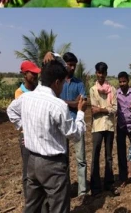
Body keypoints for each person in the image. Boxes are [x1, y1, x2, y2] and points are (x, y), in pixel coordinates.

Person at [7, 61, 87, 213]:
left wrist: (25, 127)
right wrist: (81, 112)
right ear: (57, 82)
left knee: (32, 205)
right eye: (63, 83)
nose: (63, 87)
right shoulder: (57, 105)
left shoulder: (26, 98)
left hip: (31, 161)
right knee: (58, 207)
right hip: (53, 165)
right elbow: (75, 135)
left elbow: (11, 111)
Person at [57, 52, 90, 205]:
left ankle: (82, 191)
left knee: (81, 159)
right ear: (64, 64)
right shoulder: (58, 83)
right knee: (63, 160)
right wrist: (72, 103)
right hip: (61, 125)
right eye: (69, 65)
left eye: (74, 65)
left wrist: (62, 101)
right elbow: (73, 103)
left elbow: (82, 103)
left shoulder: (79, 83)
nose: (72, 68)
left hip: (77, 123)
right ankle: (67, 188)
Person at [89, 61, 120, 197]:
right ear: (96, 73)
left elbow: (114, 108)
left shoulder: (112, 90)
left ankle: (109, 183)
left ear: (106, 73)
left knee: (108, 157)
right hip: (97, 127)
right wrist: (105, 110)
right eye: (99, 72)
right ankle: (95, 187)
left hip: (109, 126)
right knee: (95, 156)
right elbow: (93, 109)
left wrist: (101, 109)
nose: (101, 75)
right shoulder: (92, 89)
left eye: (103, 73)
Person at [14, 61, 41, 199]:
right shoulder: (20, 93)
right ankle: (29, 200)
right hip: (27, 137)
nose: (35, 75)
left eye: (36, 73)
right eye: (32, 73)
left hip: (39, 136)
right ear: (25, 74)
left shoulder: (38, 90)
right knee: (27, 172)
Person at [115, 71, 131, 189]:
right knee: (121, 152)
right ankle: (123, 178)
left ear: (128, 81)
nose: (122, 83)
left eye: (124, 81)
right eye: (120, 81)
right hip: (121, 126)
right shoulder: (116, 93)